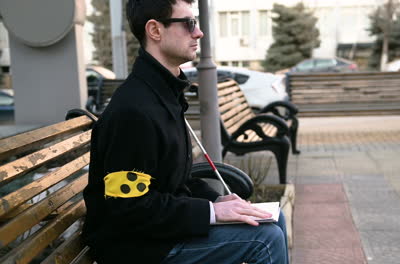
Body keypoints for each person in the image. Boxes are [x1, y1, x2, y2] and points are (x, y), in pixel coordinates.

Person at [82, 0, 289, 263]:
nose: (198, 32)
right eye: (189, 23)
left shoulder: (162, 95)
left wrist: (218, 200)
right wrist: (211, 212)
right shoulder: (134, 111)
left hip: (160, 233)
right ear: (155, 31)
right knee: (265, 239)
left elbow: (172, 181)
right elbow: (129, 207)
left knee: (272, 217)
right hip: (136, 247)